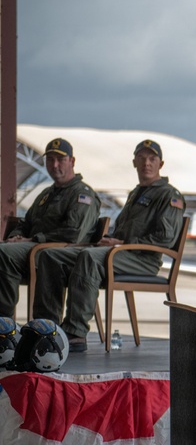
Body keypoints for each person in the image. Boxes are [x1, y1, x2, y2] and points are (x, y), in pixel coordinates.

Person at [32, 139, 186, 353]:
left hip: (143, 259)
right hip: (121, 252)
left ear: (161, 164)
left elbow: (165, 238)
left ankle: (75, 332)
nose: (146, 163)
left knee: (89, 257)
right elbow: (123, 230)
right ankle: (47, 328)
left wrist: (122, 243)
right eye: (141, 158)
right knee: (50, 255)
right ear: (134, 162)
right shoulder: (137, 193)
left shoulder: (169, 195)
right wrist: (108, 240)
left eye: (152, 159)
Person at [0, 138, 101, 317]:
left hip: (58, 253)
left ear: (72, 161)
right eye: (50, 160)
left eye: (60, 159)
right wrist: (16, 236)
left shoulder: (82, 194)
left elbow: (73, 233)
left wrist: (32, 239)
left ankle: (3, 321)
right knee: (5, 249)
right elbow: (26, 222)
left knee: (5, 253)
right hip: (34, 249)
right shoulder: (46, 194)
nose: (54, 165)